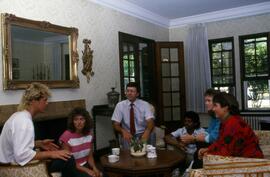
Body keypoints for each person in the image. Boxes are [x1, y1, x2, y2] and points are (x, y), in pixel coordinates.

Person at [0, 82, 80, 177]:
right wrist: (51, 153)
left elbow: (17, 144)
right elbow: (22, 155)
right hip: (13, 169)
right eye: (44, 100)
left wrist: (38, 143)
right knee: (68, 158)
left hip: (11, 163)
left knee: (64, 158)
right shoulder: (24, 121)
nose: (47, 103)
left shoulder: (19, 116)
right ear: (34, 101)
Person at [198, 92, 263, 159]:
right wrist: (208, 149)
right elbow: (220, 141)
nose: (213, 109)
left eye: (215, 106)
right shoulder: (225, 122)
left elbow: (227, 152)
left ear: (226, 108)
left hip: (251, 161)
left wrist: (208, 154)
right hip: (240, 158)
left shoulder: (233, 124)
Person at [181, 88, 220, 168]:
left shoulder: (221, 117)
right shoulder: (214, 117)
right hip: (212, 145)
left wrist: (194, 138)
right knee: (197, 151)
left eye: (209, 101)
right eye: (205, 101)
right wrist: (195, 137)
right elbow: (208, 131)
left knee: (198, 152)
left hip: (218, 149)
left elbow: (213, 137)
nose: (206, 103)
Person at [59, 107, 102, 177]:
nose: (79, 122)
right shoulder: (66, 136)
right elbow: (69, 162)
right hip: (71, 168)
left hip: (85, 165)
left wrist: (94, 168)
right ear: (72, 122)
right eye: (76, 119)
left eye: (81, 119)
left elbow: (90, 157)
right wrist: (87, 170)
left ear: (86, 121)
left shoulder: (89, 135)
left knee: (101, 174)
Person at [111, 82, 155, 149]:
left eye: (132, 91)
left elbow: (150, 121)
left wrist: (147, 132)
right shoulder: (120, 105)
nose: (129, 93)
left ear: (137, 94)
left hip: (142, 132)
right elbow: (115, 124)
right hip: (128, 134)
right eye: (127, 91)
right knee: (128, 153)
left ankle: (151, 156)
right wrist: (123, 131)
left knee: (151, 135)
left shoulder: (145, 105)